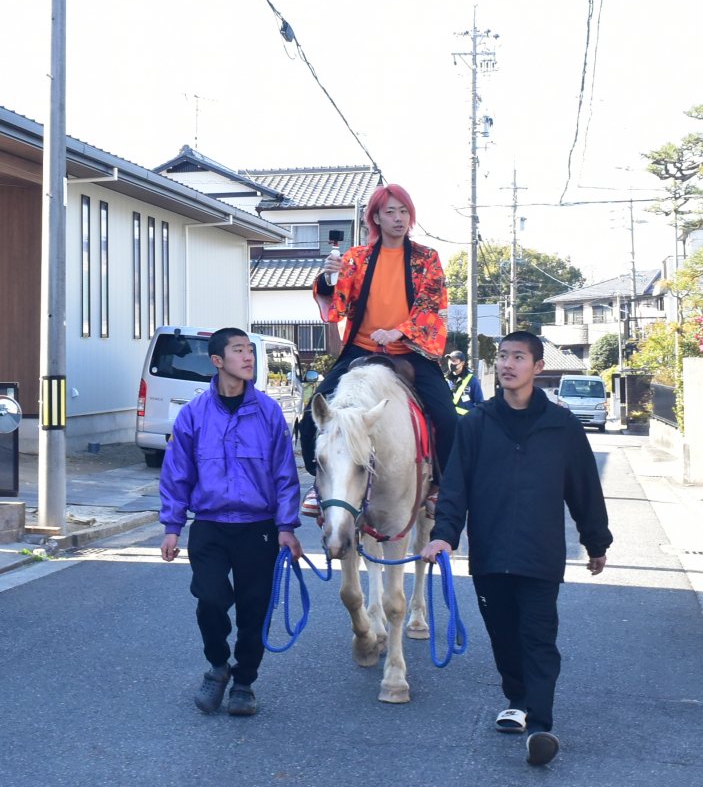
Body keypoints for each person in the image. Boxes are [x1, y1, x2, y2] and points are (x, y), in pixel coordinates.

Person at [423, 330, 611, 767]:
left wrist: (595, 540)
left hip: (541, 554)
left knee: (539, 638)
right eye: (504, 356)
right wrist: (444, 534)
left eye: (519, 357)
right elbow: (456, 489)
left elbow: (584, 488)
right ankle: (517, 699)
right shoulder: (476, 423)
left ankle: (542, 726)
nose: (508, 364)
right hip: (490, 554)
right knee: (503, 635)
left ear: (538, 367)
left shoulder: (562, 426)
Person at [159, 327, 303, 717]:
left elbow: (285, 476)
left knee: (255, 609)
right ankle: (218, 665)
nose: (249, 357)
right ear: (218, 361)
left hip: (258, 527)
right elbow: (177, 475)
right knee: (210, 600)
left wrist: (286, 527)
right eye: (239, 350)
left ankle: (244, 682)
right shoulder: (193, 415)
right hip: (209, 525)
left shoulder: (270, 412)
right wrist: (173, 527)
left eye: (250, 351)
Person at [297, 184, 459, 480]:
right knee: (313, 413)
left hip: (411, 352)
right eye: (390, 212)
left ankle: (442, 487)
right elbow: (338, 304)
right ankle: (319, 484)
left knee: (449, 419)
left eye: (404, 211)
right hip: (362, 350)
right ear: (376, 218)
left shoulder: (427, 258)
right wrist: (329, 277)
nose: (399, 218)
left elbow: (432, 302)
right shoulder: (357, 258)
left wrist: (401, 331)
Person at [446, 350, 486, 415]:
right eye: (449, 360)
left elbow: (479, 403)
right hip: (449, 420)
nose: (450, 363)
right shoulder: (446, 380)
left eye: (454, 361)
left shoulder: (472, 381)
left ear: (462, 363)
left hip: (466, 421)